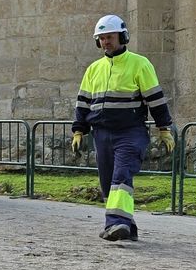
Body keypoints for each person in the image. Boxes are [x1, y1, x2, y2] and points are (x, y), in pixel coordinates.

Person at [71, 14, 174, 242]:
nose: (106, 42)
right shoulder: (93, 69)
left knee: (121, 176)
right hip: (102, 133)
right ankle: (128, 227)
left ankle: (116, 223)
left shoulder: (140, 64)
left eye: (109, 37)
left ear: (122, 36)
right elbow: (83, 103)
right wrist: (78, 130)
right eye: (102, 38)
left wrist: (164, 128)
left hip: (130, 132)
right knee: (108, 182)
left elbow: (155, 99)